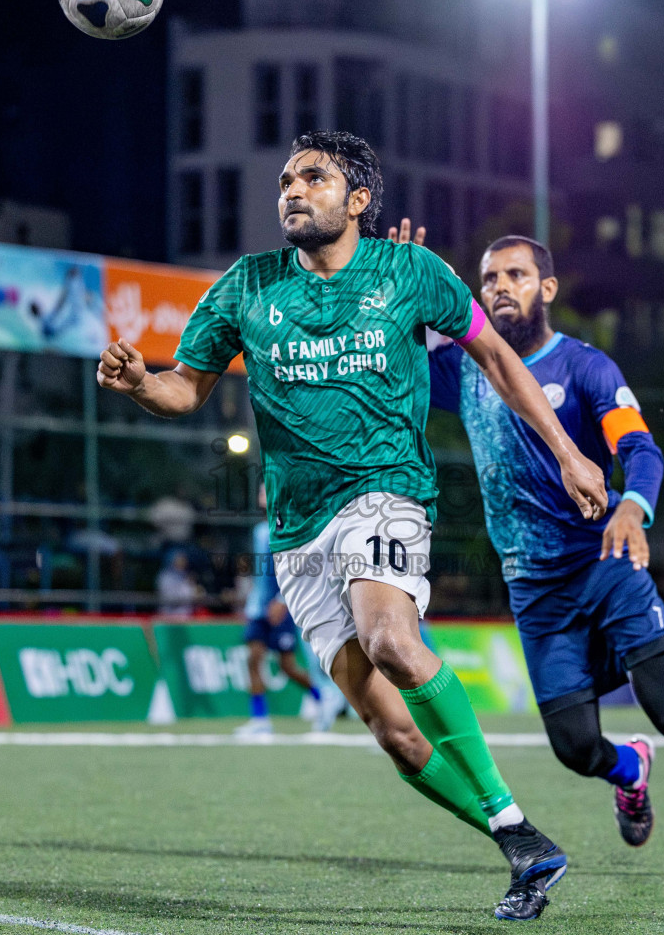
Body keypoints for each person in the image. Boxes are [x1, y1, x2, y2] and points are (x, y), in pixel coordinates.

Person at [98, 130, 610, 920]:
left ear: (359, 201)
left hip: (386, 490)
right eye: (286, 179)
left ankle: (510, 818)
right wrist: (141, 383)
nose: (293, 190)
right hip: (298, 532)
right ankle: (522, 841)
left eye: (314, 177)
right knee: (396, 736)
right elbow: (184, 390)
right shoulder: (245, 286)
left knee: (392, 641)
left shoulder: (411, 272)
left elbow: (500, 361)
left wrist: (571, 452)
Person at [408, 224, 664, 883]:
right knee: (575, 748)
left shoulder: (587, 367)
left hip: (608, 569)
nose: (502, 288)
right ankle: (630, 769)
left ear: (547, 288)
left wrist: (631, 505)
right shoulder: (466, 370)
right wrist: (399, 278)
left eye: (517, 276)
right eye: (491, 279)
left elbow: (640, 449)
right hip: (535, 591)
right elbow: (395, 355)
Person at [234, 484, 344, 736]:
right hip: (257, 608)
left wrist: (281, 600)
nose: (261, 495)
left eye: (265, 491)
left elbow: (293, 568)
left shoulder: (288, 529)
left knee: (288, 667)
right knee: (253, 659)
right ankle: (260, 720)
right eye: (260, 491)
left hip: (281, 606)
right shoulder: (259, 530)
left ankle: (323, 697)